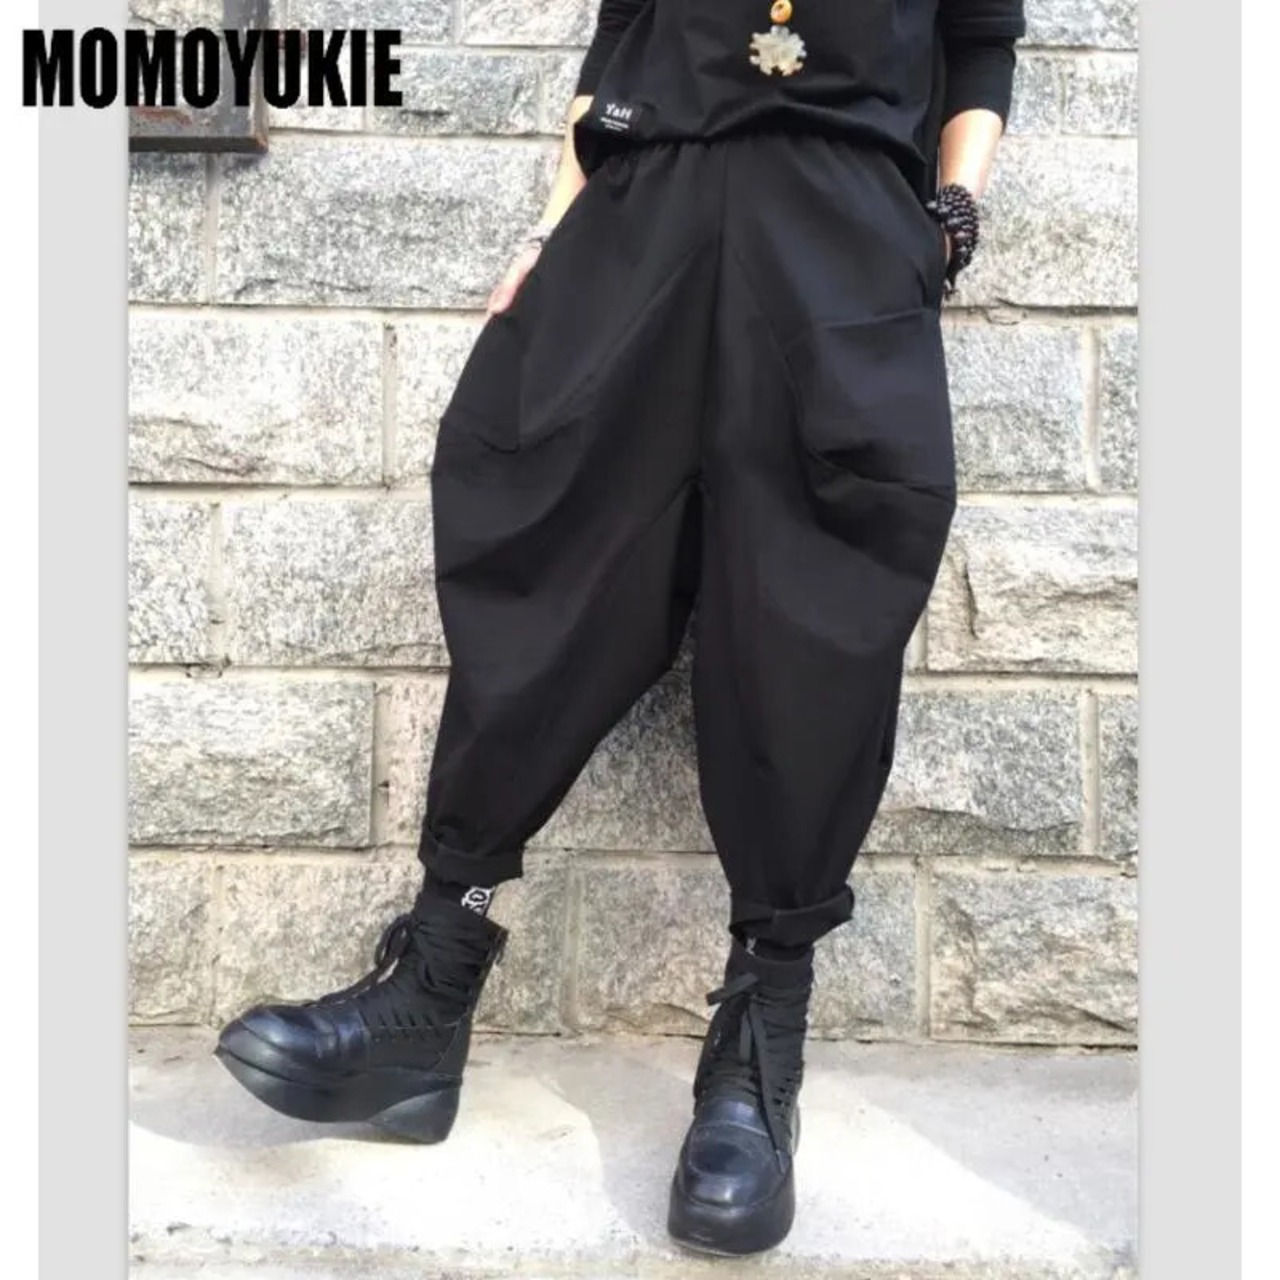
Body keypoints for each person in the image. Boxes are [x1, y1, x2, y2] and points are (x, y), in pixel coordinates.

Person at [214, 0, 1026, 1257]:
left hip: (842, 237)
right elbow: (616, 50)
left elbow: (978, 38)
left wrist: (948, 217)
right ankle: (427, 995)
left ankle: (756, 1056)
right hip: (642, 212)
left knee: (809, 616)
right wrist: (551, 232)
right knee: (535, 536)